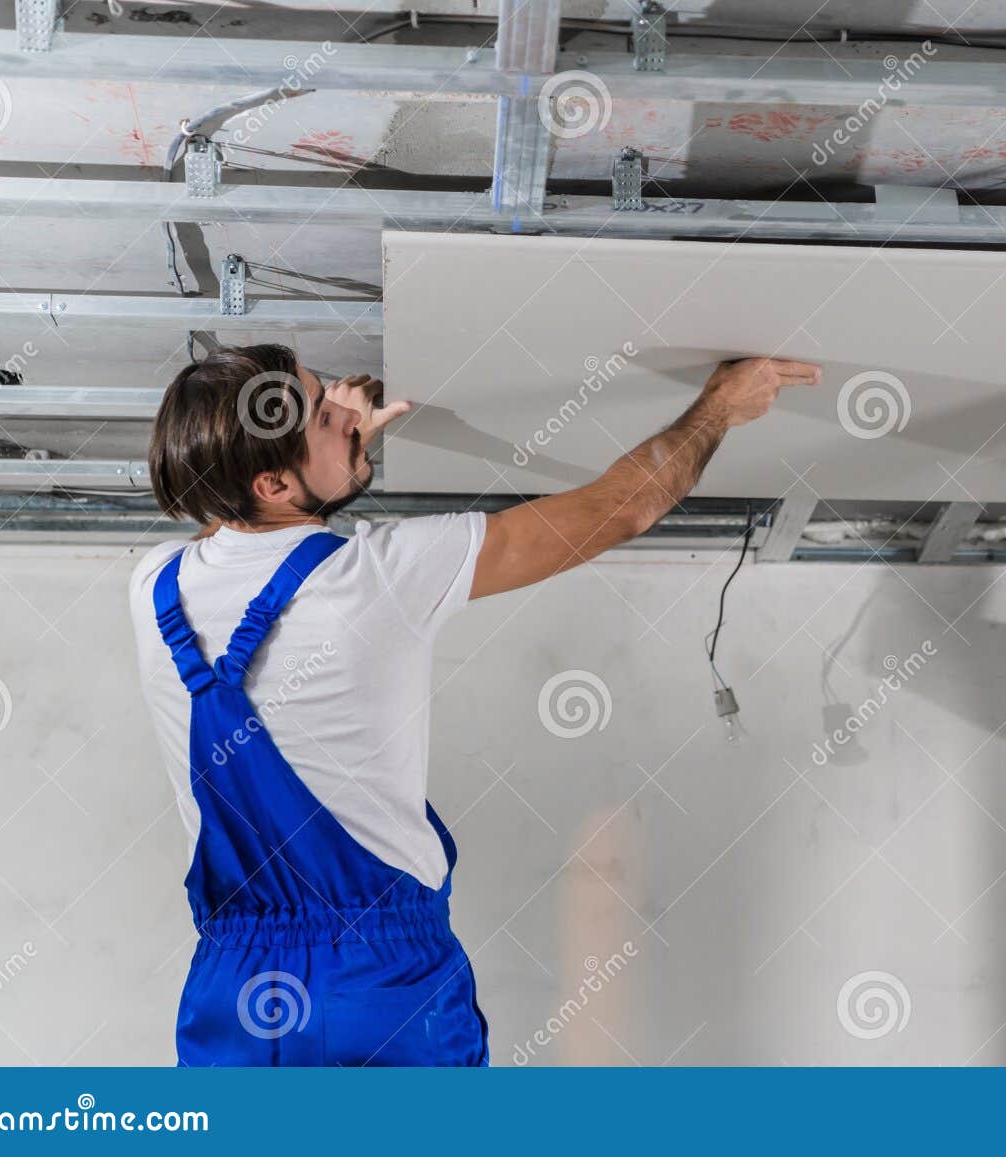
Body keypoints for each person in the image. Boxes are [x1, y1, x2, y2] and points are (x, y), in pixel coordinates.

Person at [128, 343, 820, 1066]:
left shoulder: (151, 589)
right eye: (324, 415)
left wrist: (324, 460)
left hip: (234, 995)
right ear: (271, 481)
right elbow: (623, 506)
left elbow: (238, 521)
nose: (347, 409)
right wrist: (719, 408)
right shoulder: (384, 574)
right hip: (382, 979)